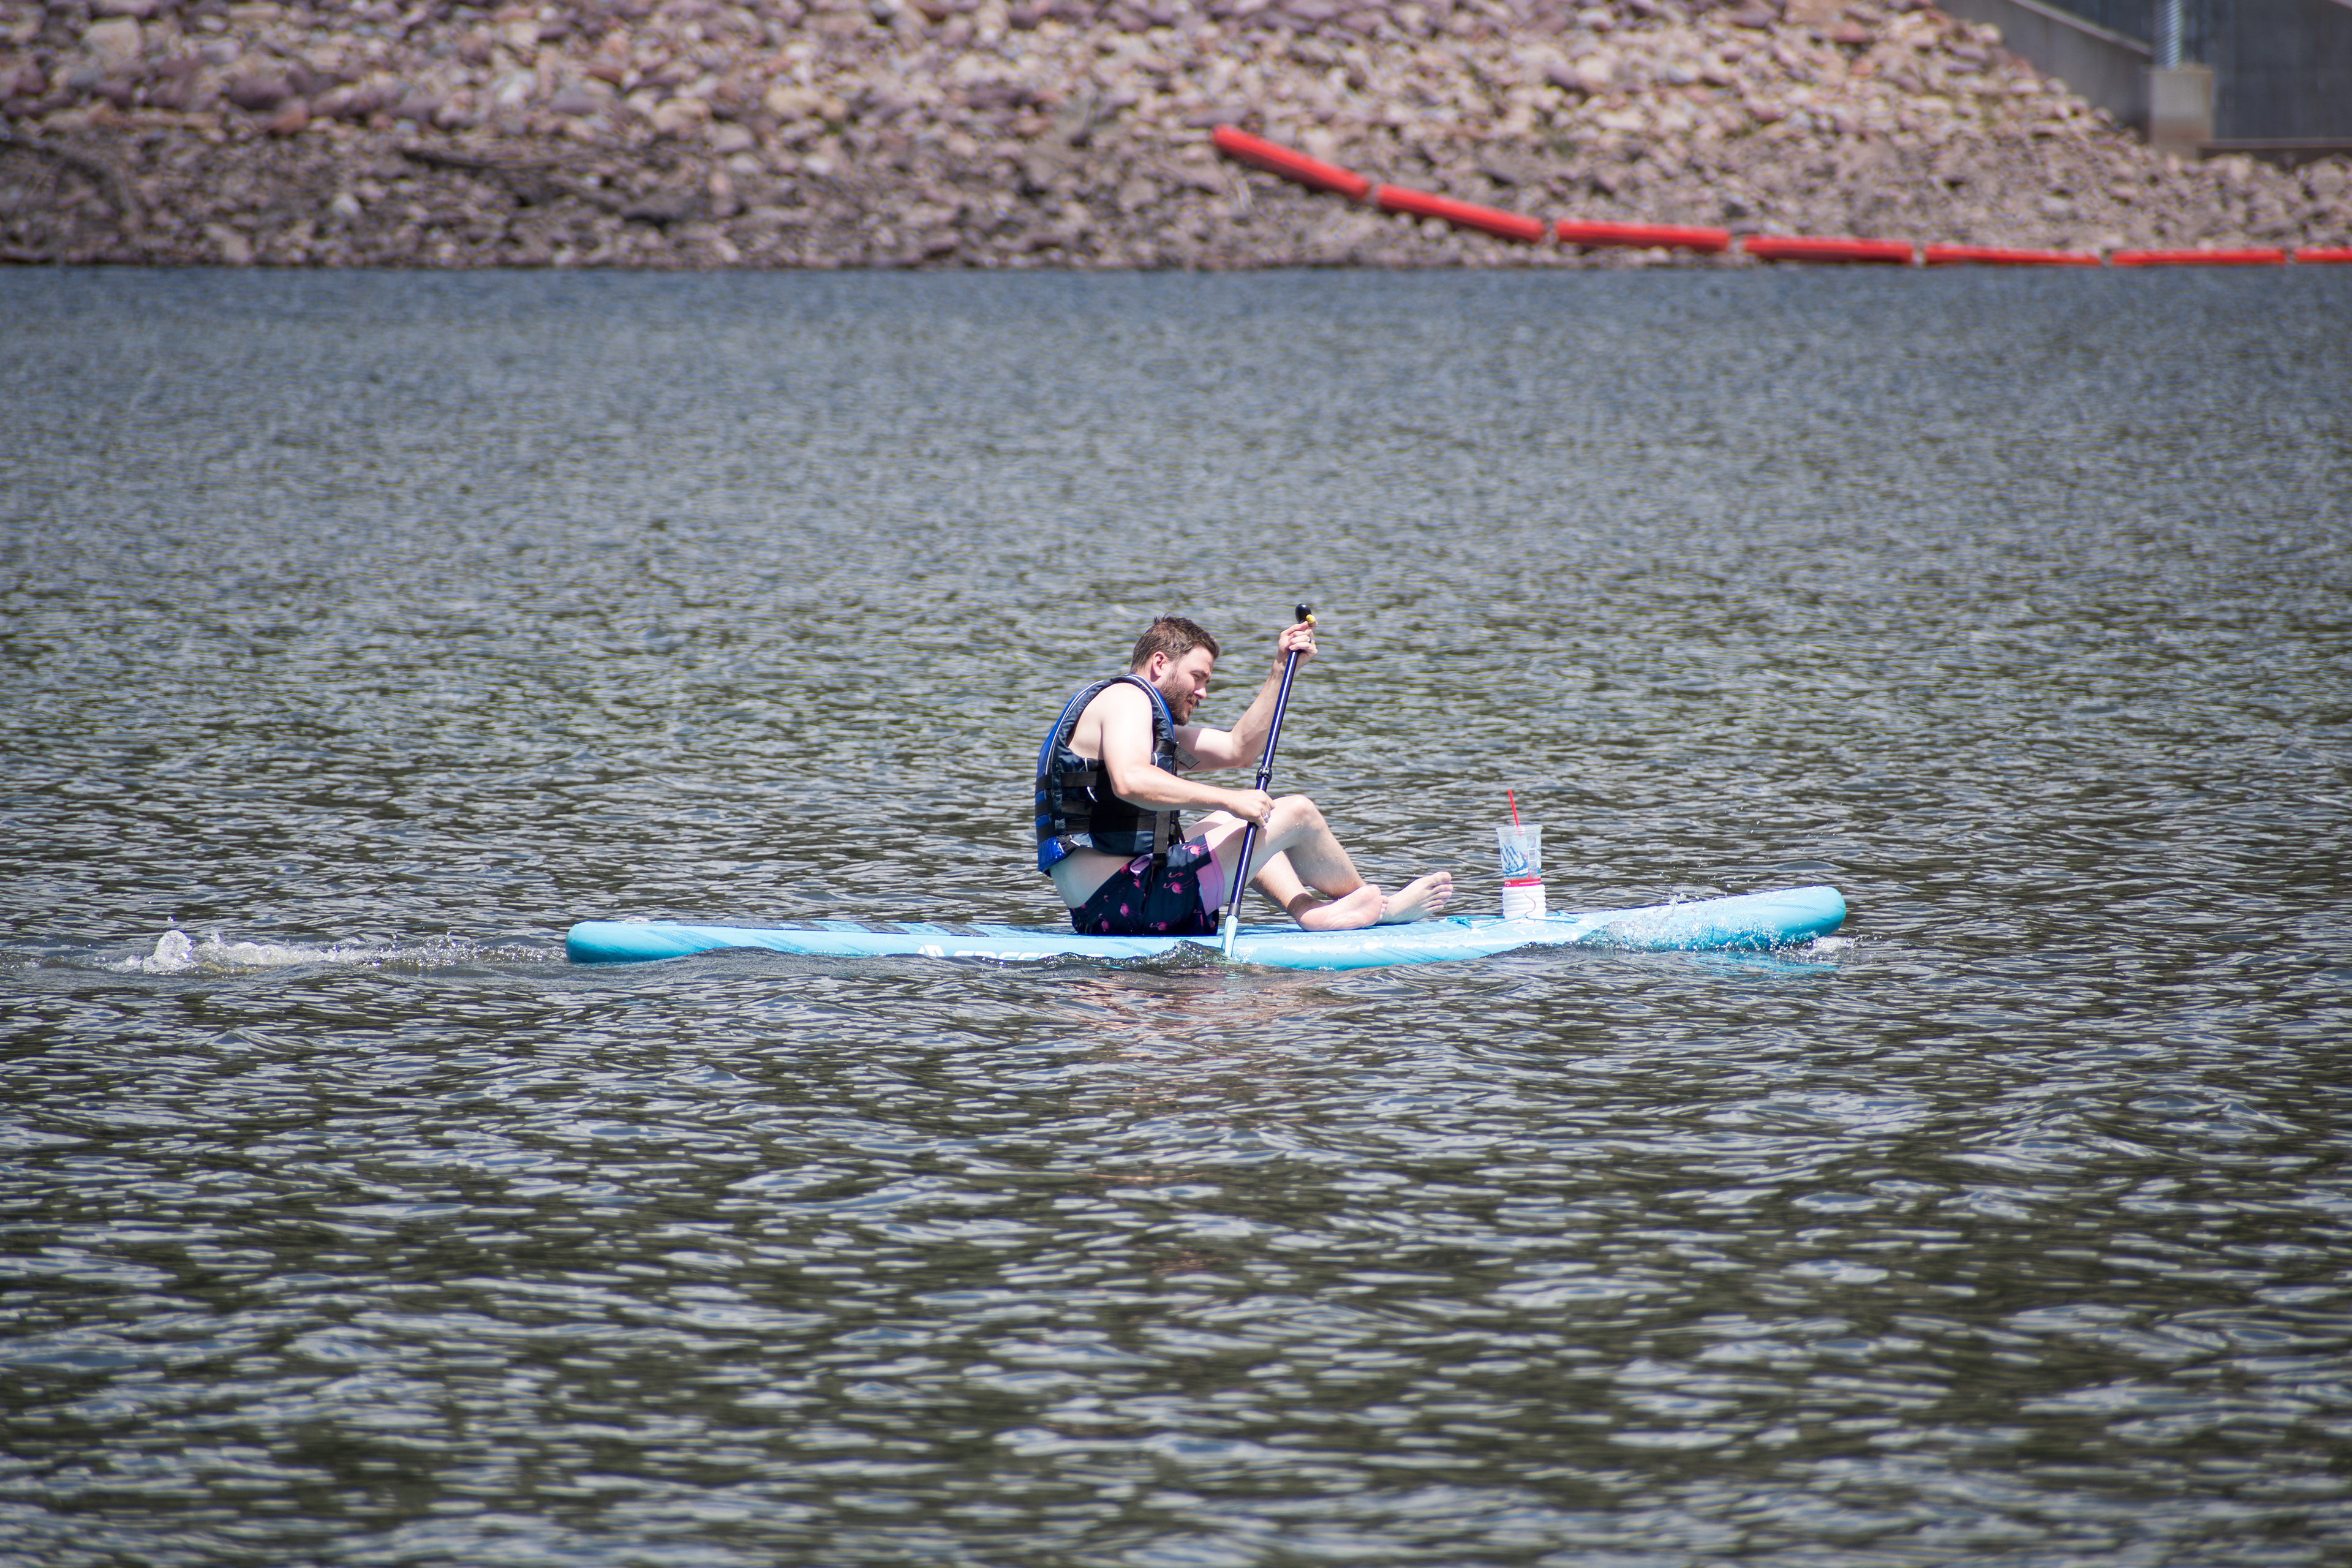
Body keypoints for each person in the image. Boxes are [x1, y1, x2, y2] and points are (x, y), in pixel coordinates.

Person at [1035, 613, 1453, 937]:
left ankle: (1311, 911)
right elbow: (1131, 781)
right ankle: (1380, 909)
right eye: (1197, 677)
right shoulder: (1128, 700)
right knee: (1299, 813)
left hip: (1109, 905)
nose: (1203, 692)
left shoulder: (1133, 718)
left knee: (1228, 823)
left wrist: (1281, 669)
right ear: (1160, 663)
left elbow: (1239, 750)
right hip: (1129, 904)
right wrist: (1228, 798)